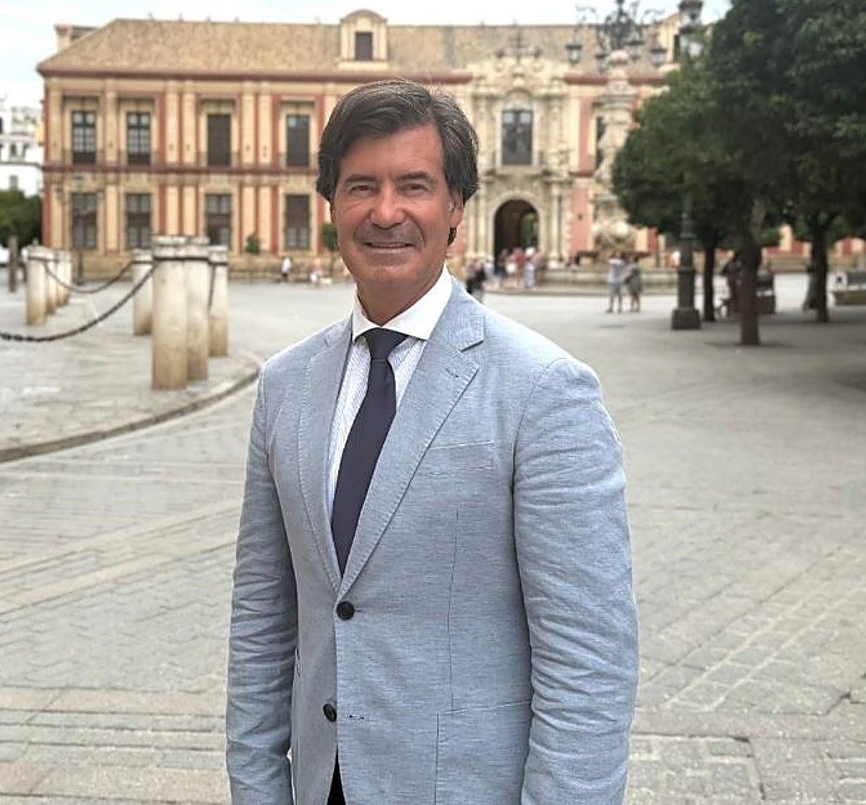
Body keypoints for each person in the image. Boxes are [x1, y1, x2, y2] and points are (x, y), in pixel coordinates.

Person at [226, 79, 638, 805]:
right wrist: (258, 788)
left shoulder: (543, 390)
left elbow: (589, 662)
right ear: (331, 206)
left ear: (455, 209)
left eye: (414, 185)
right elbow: (263, 621)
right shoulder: (285, 385)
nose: (387, 212)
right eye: (361, 187)